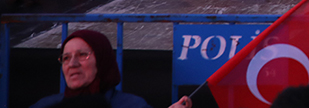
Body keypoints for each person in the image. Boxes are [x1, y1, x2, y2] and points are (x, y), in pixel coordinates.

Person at [30, 29, 191, 108]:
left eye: (81, 55)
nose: (72, 64)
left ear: (102, 59)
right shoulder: (45, 106)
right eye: (66, 58)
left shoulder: (131, 105)